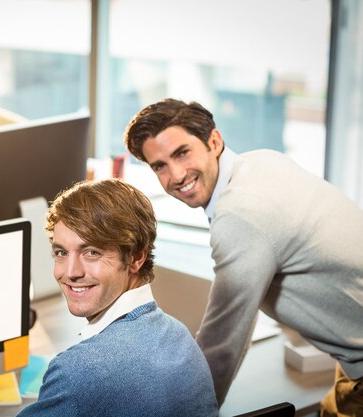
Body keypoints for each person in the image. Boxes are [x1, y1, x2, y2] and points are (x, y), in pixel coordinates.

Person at [124, 98, 363, 416]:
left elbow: (221, 345)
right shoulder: (261, 161)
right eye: (160, 166)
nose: (176, 174)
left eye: (182, 153)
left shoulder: (240, 216)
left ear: (214, 140)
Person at [16, 179, 218, 417]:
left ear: (135, 258)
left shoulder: (77, 371)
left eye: (92, 252)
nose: (70, 272)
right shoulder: (180, 336)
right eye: (61, 252)